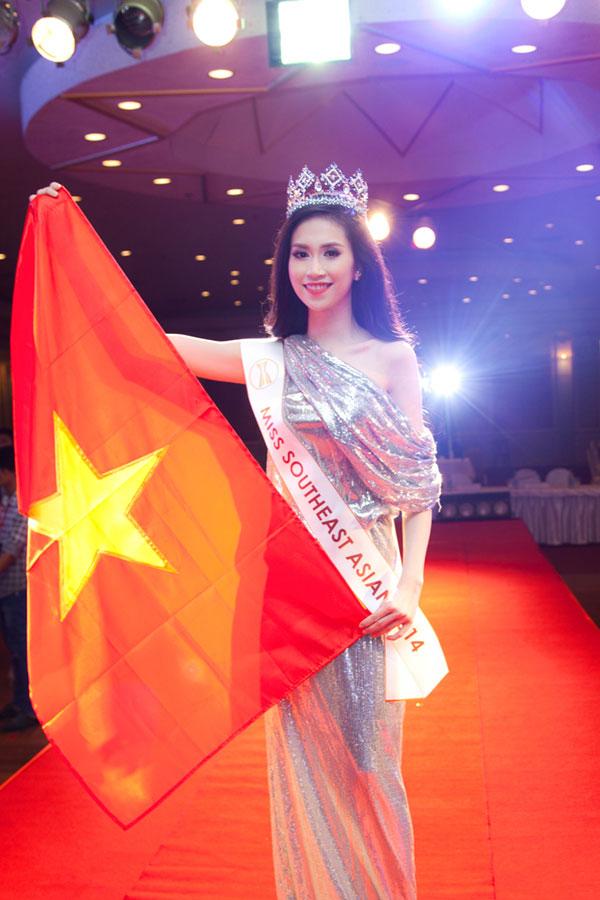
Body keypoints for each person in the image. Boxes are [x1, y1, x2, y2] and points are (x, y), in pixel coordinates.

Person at [31, 168, 440, 898]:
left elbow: (418, 482)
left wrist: (408, 585)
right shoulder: (271, 360)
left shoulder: (393, 358)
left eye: (330, 252)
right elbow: (149, 345)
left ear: (358, 265)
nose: (314, 268)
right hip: (290, 584)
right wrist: (68, 249)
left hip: (366, 583)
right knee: (305, 760)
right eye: (301, 254)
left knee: (369, 762)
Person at [0, 445, 37, 732]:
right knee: (13, 649)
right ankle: (18, 701)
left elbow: (14, 548)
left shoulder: (24, 504)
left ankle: (28, 708)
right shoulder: (5, 499)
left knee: (23, 651)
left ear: (7, 473)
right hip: (6, 589)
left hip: (17, 589)